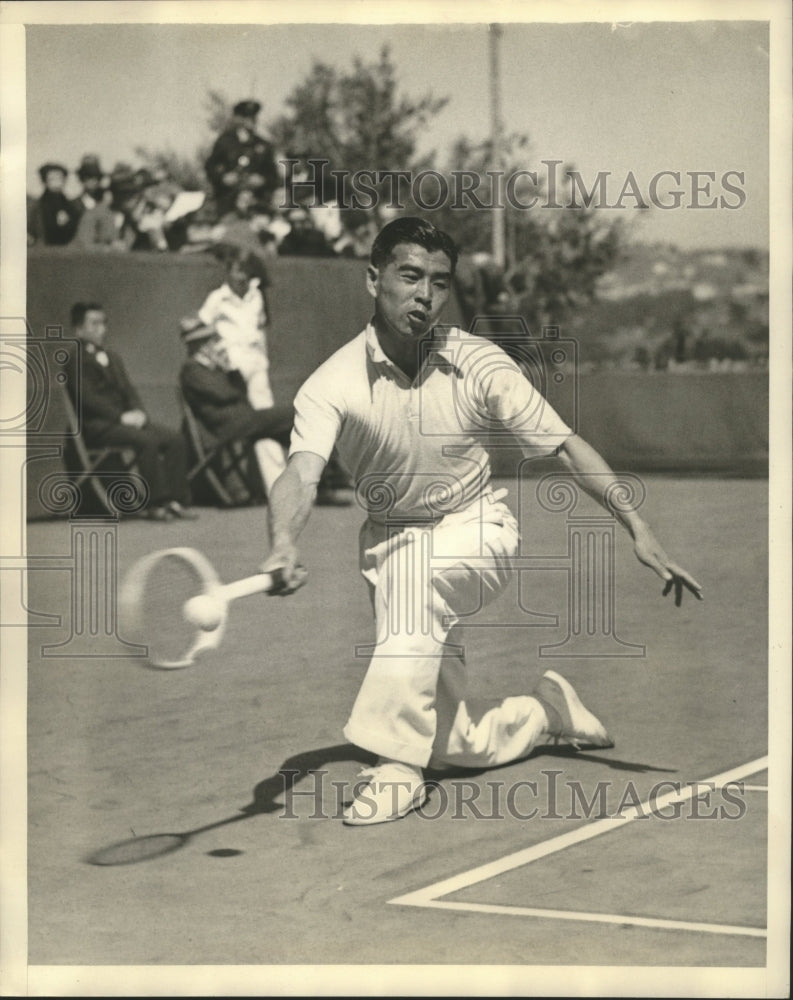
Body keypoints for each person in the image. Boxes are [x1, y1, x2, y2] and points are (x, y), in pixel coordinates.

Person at [259, 216, 703, 826]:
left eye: (439, 282)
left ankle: (395, 768)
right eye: (409, 276)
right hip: (389, 544)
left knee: (416, 611)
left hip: (477, 530)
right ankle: (544, 712)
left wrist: (638, 526)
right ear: (373, 280)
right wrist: (283, 540)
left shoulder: (481, 362)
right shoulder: (331, 383)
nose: (424, 295)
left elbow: (567, 447)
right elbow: (300, 473)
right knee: (451, 745)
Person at [178, 317, 349, 506]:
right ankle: (329, 477)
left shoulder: (212, 368)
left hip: (243, 421)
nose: (214, 344)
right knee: (295, 416)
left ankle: (326, 479)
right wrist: (225, 370)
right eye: (209, 340)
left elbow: (240, 394)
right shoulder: (192, 370)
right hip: (225, 426)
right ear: (197, 345)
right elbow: (225, 395)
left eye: (212, 339)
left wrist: (231, 371)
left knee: (300, 428)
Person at [67, 302, 197, 521]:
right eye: (95, 324)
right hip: (99, 426)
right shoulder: (74, 359)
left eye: (103, 323)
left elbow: (129, 390)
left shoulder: (113, 357)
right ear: (79, 329)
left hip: (124, 423)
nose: (102, 329)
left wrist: (139, 412)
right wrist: (120, 417)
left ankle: (175, 500)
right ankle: (155, 504)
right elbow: (87, 400)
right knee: (147, 441)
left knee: (175, 439)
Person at [196, 246, 285, 493]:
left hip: (256, 368)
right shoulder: (216, 298)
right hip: (229, 372)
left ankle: (276, 487)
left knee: (267, 421)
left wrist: (261, 361)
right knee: (236, 423)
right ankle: (235, 487)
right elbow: (198, 332)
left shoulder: (257, 296)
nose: (239, 276)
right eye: (235, 270)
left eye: (244, 271)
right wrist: (218, 357)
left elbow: (261, 332)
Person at [204, 99, 279, 217]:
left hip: (257, 202)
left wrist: (262, 180)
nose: (251, 120)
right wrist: (223, 178)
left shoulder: (264, 145)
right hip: (228, 201)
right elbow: (210, 167)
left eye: (253, 117)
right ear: (238, 119)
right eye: (246, 116)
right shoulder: (224, 142)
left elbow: (273, 176)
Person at [29, 162, 80, 246]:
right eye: (52, 179)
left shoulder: (71, 205)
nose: (57, 183)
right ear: (45, 181)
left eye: (60, 179)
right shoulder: (37, 206)